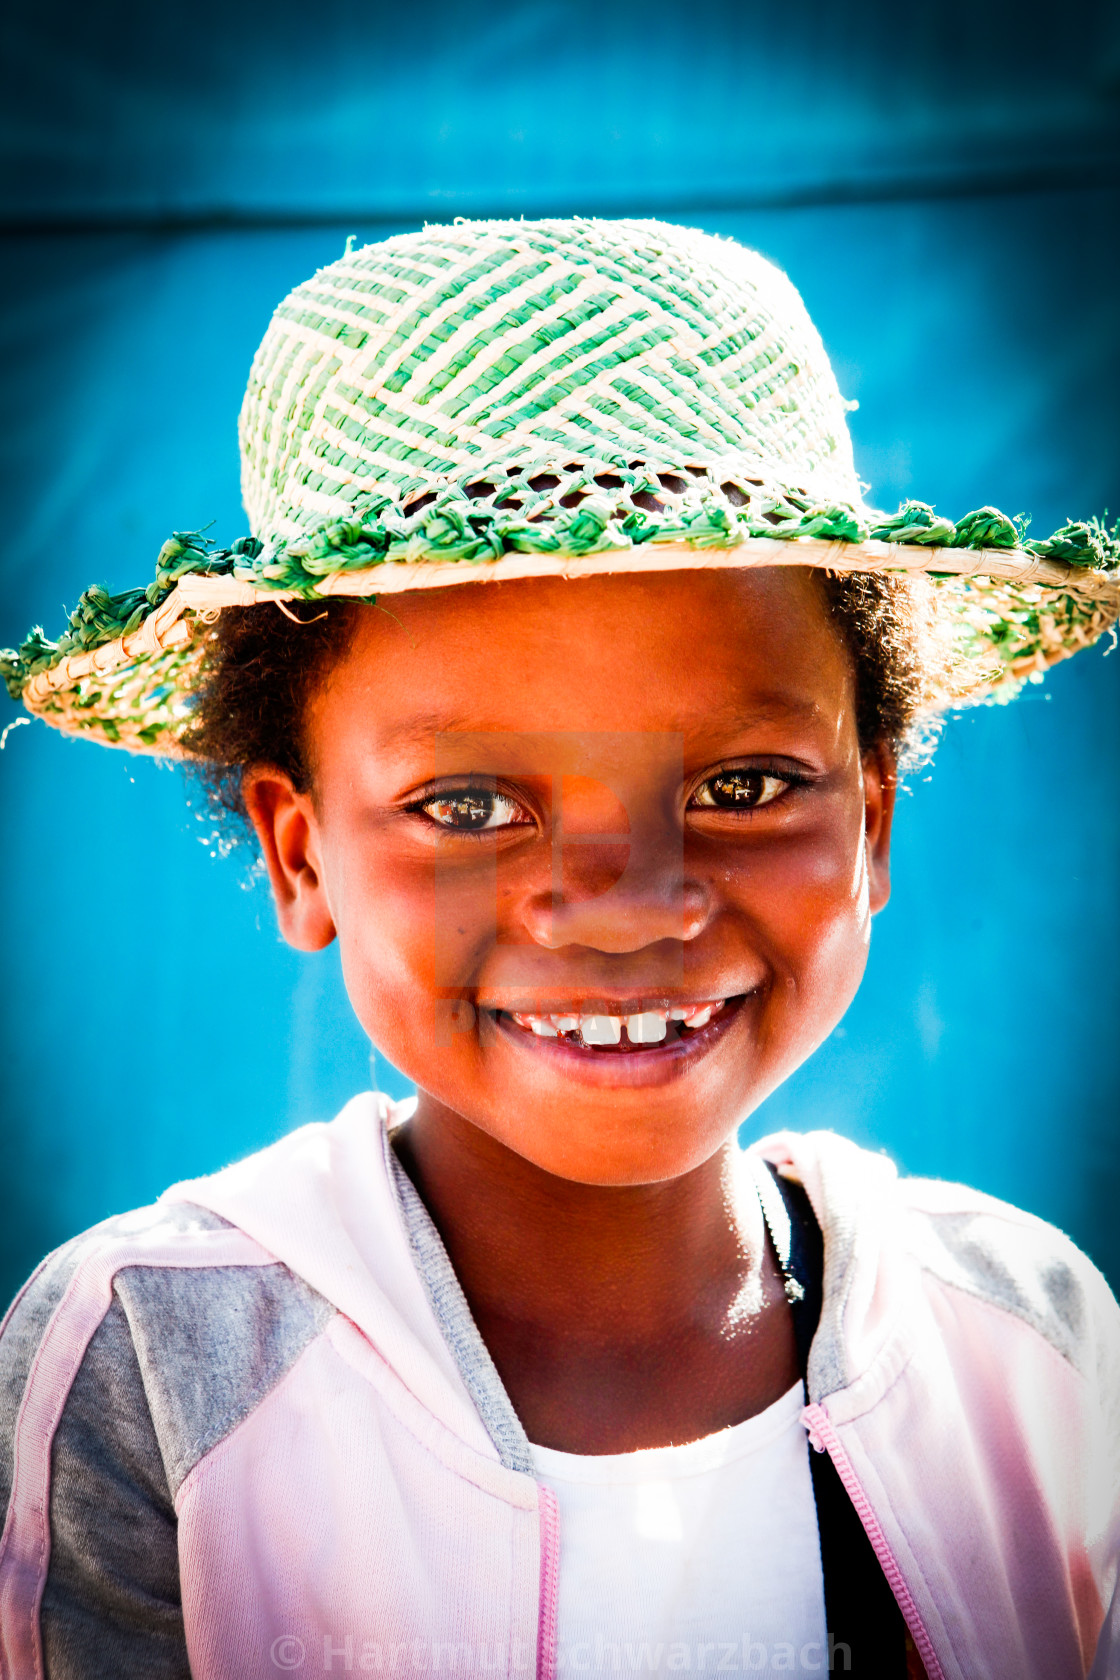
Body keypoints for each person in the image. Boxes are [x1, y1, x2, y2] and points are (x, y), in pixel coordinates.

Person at [1, 219, 1117, 1680]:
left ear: (874, 824)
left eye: (743, 788)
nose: (625, 903)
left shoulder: (1029, 1339)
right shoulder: (150, 1360)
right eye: (467, 805)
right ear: (298, 852)